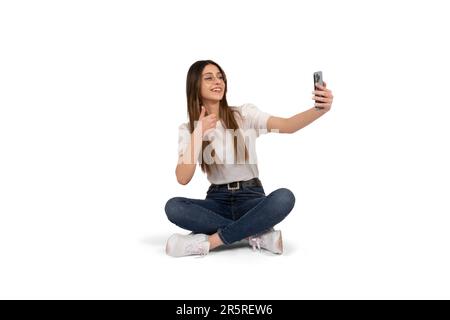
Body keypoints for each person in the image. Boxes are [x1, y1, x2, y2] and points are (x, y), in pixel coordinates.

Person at [164, 60, 333, 257]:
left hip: (251, 198)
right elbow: (182, 178)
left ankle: (213, 241)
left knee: (284, 197)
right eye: (209, 78)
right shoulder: (189, 130)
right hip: (217, 202)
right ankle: (253, 233)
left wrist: (319, 110)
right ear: (195, 85)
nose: (217, 81)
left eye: (220, 77)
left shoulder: (244, 114)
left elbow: (287, 125)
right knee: (174, 207)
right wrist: (198, 133)